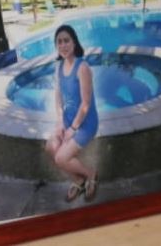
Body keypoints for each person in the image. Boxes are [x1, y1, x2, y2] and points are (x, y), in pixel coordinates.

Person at [45, 25, 97, 203]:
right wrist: (60, 122)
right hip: (67, 120)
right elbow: (58, 96)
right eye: (59, 42)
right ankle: (78, 180)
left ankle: (91, 174)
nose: (63, 45)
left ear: (74, 42)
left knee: (60, 158)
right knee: (50, 147)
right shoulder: (59, 67)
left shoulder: (82, 67)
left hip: (85, 123)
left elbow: (86, 104)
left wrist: (73, 129)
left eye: (66, 40)